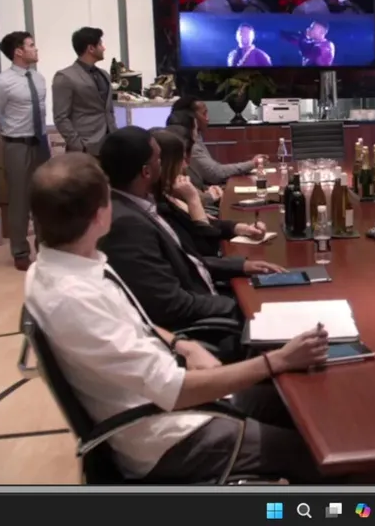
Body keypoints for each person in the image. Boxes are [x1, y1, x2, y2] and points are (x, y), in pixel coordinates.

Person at [23, 152, 327, 483]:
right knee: (319, 453)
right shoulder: (75, 299)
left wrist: (181, 344)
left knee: (302, 406)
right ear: (99, 215)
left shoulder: (59, 265)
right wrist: (277, 360)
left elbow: (133, 323)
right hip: (170, 436)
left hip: (173, 400)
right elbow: (174, 389)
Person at [96, 126, 282, 335]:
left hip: (208, 299)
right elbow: (170, 304)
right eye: (159, 159)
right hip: (204, 324)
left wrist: (242, 266)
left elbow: (186, 262)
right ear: (146, 172)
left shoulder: (141, 205)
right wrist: (241, 308)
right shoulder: (127, 225)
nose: (169, 164)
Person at [150, 128, 267, 261]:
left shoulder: (168, 196)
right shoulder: (160, 207)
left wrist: (243, 228)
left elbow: (211, 223)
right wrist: (193, 199)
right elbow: (208, 249)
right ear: (166, 164)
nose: (186, 166)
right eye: (182, 160)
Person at [0, 31, 51, 271]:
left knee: (44, 196)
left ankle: (45, 247)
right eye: (31, 45)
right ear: (18, 52)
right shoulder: (2, 82)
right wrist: (9, 138)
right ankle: (20, 252)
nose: (36, 49)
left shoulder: (39, 79)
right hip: (17, 145)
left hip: (41, 143)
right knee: (19, 201)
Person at [52, 26, 117, 157]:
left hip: (110, 144)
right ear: (91, 48)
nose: (103, 48)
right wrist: (78, 145)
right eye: (100, 44)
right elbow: (61, 117)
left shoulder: (103, 74)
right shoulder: (65, 76)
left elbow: (107, 110)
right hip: (85, 146)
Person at [171, 96, 261, 183]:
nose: (208, 119)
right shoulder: (189, 144)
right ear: (191, 118)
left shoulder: (196, 137)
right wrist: (252, 163)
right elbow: (215, 174)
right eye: (204, 114)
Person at [163, 111, 224, 207]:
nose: (186, 164)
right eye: (195, 129)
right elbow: (216, 173)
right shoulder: (168, 185)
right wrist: (208, 196)